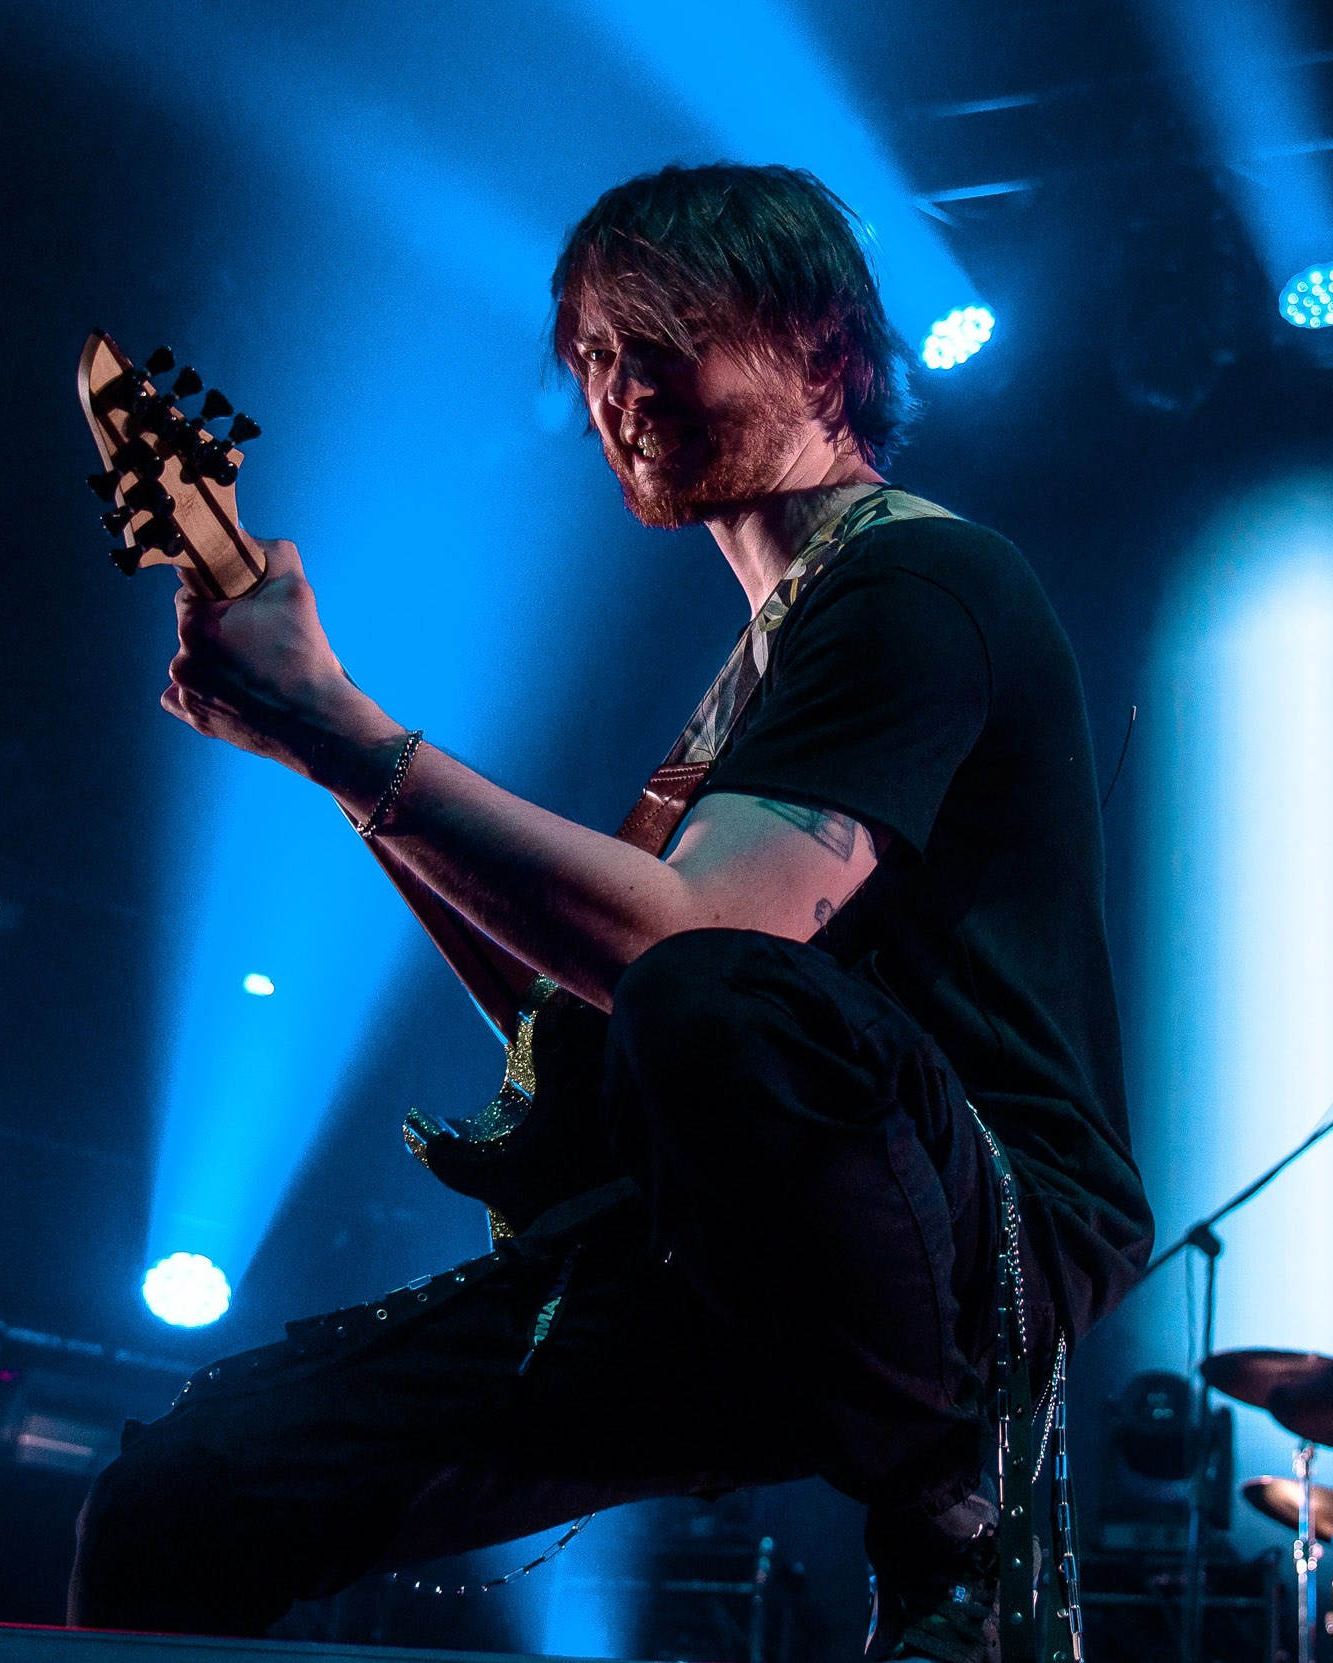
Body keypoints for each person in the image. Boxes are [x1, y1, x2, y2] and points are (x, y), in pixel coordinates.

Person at [69, 162, 1154, 1661]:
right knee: (184, 1493)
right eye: (592, 354)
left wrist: (338, 723)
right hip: (733, 1252)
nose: (619, 388)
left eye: (665, 336)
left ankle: (942, 1496)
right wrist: (328, 751)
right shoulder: (745, 688)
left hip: (968, 1237)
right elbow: (570, 1012)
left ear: (827, 347)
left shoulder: (922, 580)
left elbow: (695, 954)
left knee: (707, 987)